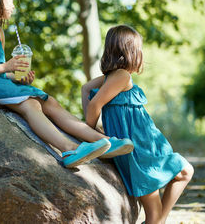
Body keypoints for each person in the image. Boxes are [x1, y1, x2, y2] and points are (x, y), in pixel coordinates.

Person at [0, 0, 134, 168]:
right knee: (31, 105)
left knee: (49, 101)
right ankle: (68, 148)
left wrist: (16, 77)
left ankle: (102, 141)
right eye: (10, 0)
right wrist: (6, 66)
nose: (13, 5)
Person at [82, 25, 194, 223]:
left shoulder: (113, 76)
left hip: (147, 146)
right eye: (138, 49)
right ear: (130, 51)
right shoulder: (122, 76)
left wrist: (92, 127)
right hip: (139, 153)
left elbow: (86, 89)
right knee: (154, 213)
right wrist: (90, 132)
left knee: (185, 172)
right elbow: (95, 106)